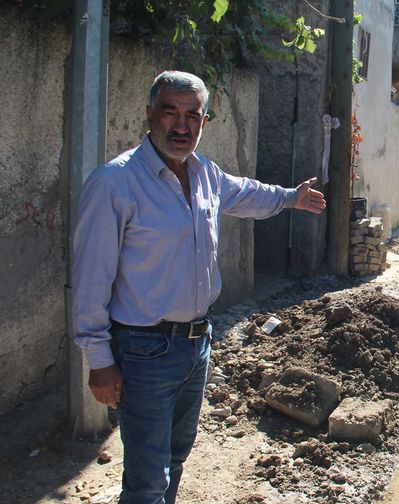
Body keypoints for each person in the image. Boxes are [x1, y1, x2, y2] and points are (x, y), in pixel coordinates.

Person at [73, 71, 326, 504]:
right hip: (143, 349)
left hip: (196, 344)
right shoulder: (115, 183)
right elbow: (90, 277)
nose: (182, 125)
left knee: (175, 457)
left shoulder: (205, 172)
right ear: (150, 114)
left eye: (193, 115)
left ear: (205, 121)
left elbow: (245, 194)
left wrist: (290, 197)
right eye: (170, 111)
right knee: (147, 478)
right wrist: (99, 360)